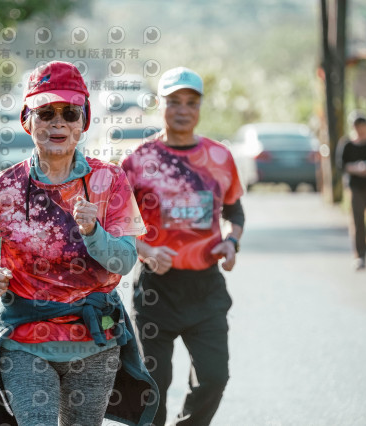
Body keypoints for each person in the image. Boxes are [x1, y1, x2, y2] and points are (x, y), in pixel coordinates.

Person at [0, 61, 159, 426]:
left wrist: (93, 232)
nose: (58, 123)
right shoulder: (1, 186)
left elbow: (124, 261)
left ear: (83, 122)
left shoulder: (110, 180)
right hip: (24, 338)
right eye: (45, 113)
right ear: (27, 120)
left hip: (95, 339)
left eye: (70, 113)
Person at [121, 67, 245, 426]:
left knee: (214, 378)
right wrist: (146, 252)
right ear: (160, 104)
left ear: (200, 106)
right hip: (156, 291)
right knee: (153, 387)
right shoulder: (138, 161)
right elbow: (118, 224)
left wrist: (231, 241)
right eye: (174, 101)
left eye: (191, 102)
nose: (183, 110)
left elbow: (234, 210)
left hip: (206, 288)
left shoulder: (219, 157)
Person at [337, 111, 366, 271]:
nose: (360, 129)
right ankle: (360, 255)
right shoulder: (347, 144)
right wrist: (355, 168)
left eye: (362, 126)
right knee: (358, 222)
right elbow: (341, 165)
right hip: (356, 187)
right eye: (357, 126)